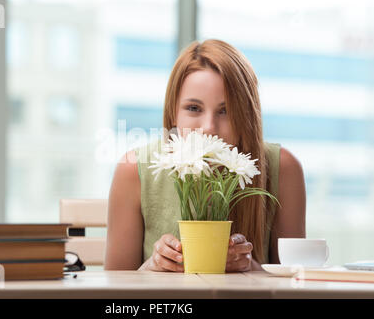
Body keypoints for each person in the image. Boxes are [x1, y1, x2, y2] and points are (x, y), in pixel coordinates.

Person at [104, 39, 306, 272]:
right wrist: (151, 266)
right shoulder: (134, 169)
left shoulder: (283, 168)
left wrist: (250, 267)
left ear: (247, 117)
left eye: (226, 111)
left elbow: (295, 285)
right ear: (172, 113)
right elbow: (114, 288)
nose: (209, 127)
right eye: (193, 108)